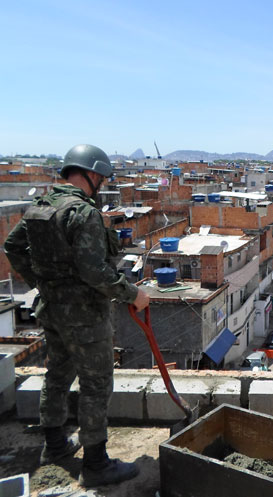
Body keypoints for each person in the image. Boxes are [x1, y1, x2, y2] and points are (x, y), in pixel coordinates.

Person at [4, 144, 150, 488]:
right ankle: (96, 464)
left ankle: (54, 447)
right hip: (85, 315)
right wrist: (134, 294)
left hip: (52, 310)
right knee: (96, 383)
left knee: (57, 374)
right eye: (102, 177)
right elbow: (93, 271)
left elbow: (12, 247)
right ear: (93, 174)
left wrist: (41, 282)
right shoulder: (82, 213)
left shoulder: (40, 207)